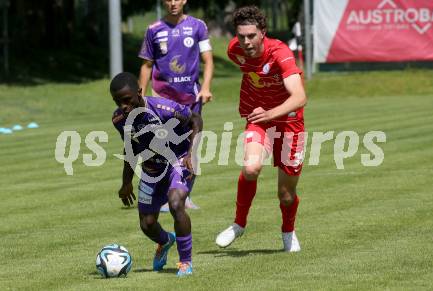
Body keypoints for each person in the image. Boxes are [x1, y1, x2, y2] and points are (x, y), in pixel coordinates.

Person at [215, 6, 307, 252]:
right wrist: (261, 110)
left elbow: (299, 97)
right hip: (259, 119)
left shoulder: (281, 53)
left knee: (286, 194)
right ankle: (239, 224)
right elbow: (250, 72)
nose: (245, 42)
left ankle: (288, 231)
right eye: (241, 36)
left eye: (251, 36)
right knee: (251, 167)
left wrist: (270, 111)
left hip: (289, 123)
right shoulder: (234, 50)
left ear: (263, 32)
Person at [111, 72, 202, 276]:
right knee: (147, 223)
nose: (123, 106)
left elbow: (196, 120)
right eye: (118, 101)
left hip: (179, 160)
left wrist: (192, 153)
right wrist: (126, 183)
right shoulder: (119, 120)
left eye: (126, 100)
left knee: (176, 203)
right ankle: (165, 241)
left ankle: (185, 262)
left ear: (139, 92)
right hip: (152, 168)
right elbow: (130, 149)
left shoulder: (165, 109)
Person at [138, 0, 214, 210]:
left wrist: (206, 87)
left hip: (191, 98)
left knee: (192, 146)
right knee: (164, 146)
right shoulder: (153, 30)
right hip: (163, 99)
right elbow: (146, 65)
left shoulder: (198, 26)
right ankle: (164, 195)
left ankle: (185, 193)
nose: (173, 3)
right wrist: (140, 96)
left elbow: (208, 60)